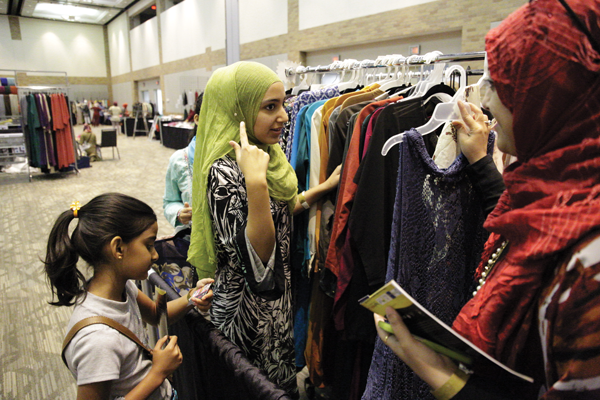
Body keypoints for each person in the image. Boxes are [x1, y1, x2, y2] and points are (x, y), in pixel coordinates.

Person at [374, 0, 600, 398]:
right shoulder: (554, 191)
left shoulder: (589, 267)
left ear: (549, 97)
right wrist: (480, 161)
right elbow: (527, 228)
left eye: (500, 85)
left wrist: (434, 370)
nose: (485, 98)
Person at [187, 61, 341, 397]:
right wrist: (255, 184)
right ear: (237, 108)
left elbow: (281, 212)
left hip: (275, 311)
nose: (284, 116)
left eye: (283, 104)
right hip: (246, 318)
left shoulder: (264, 156)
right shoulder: (226, 172)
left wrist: (323, 187)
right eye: (270, 107)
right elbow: (261, 266)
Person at [44, 193, 214, 400]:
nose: (155, 255)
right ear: (118, 248)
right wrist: (158, 373)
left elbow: (155, 314)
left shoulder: (122, 288)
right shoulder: (97, 340)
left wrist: (191, 297)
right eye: (148, 245)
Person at [163, 93, 204, 235]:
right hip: (193, 240)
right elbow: (169, 201)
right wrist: (180, 213)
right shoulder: (180, 160)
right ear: (197, 119)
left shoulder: (241, 156)